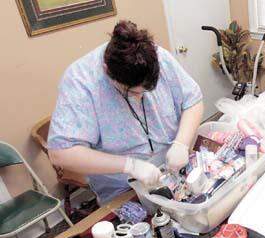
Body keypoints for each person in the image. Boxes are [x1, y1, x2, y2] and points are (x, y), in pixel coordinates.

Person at [47, 20, 204, 206]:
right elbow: (61, 153)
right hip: (124, 188)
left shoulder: (154, 56)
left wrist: (181, 144)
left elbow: (193, 100)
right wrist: (130, 166)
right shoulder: (81, 81)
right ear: (107, 72)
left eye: (146, 91)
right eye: (134, 92)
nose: (140, 98)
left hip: (175, 170)